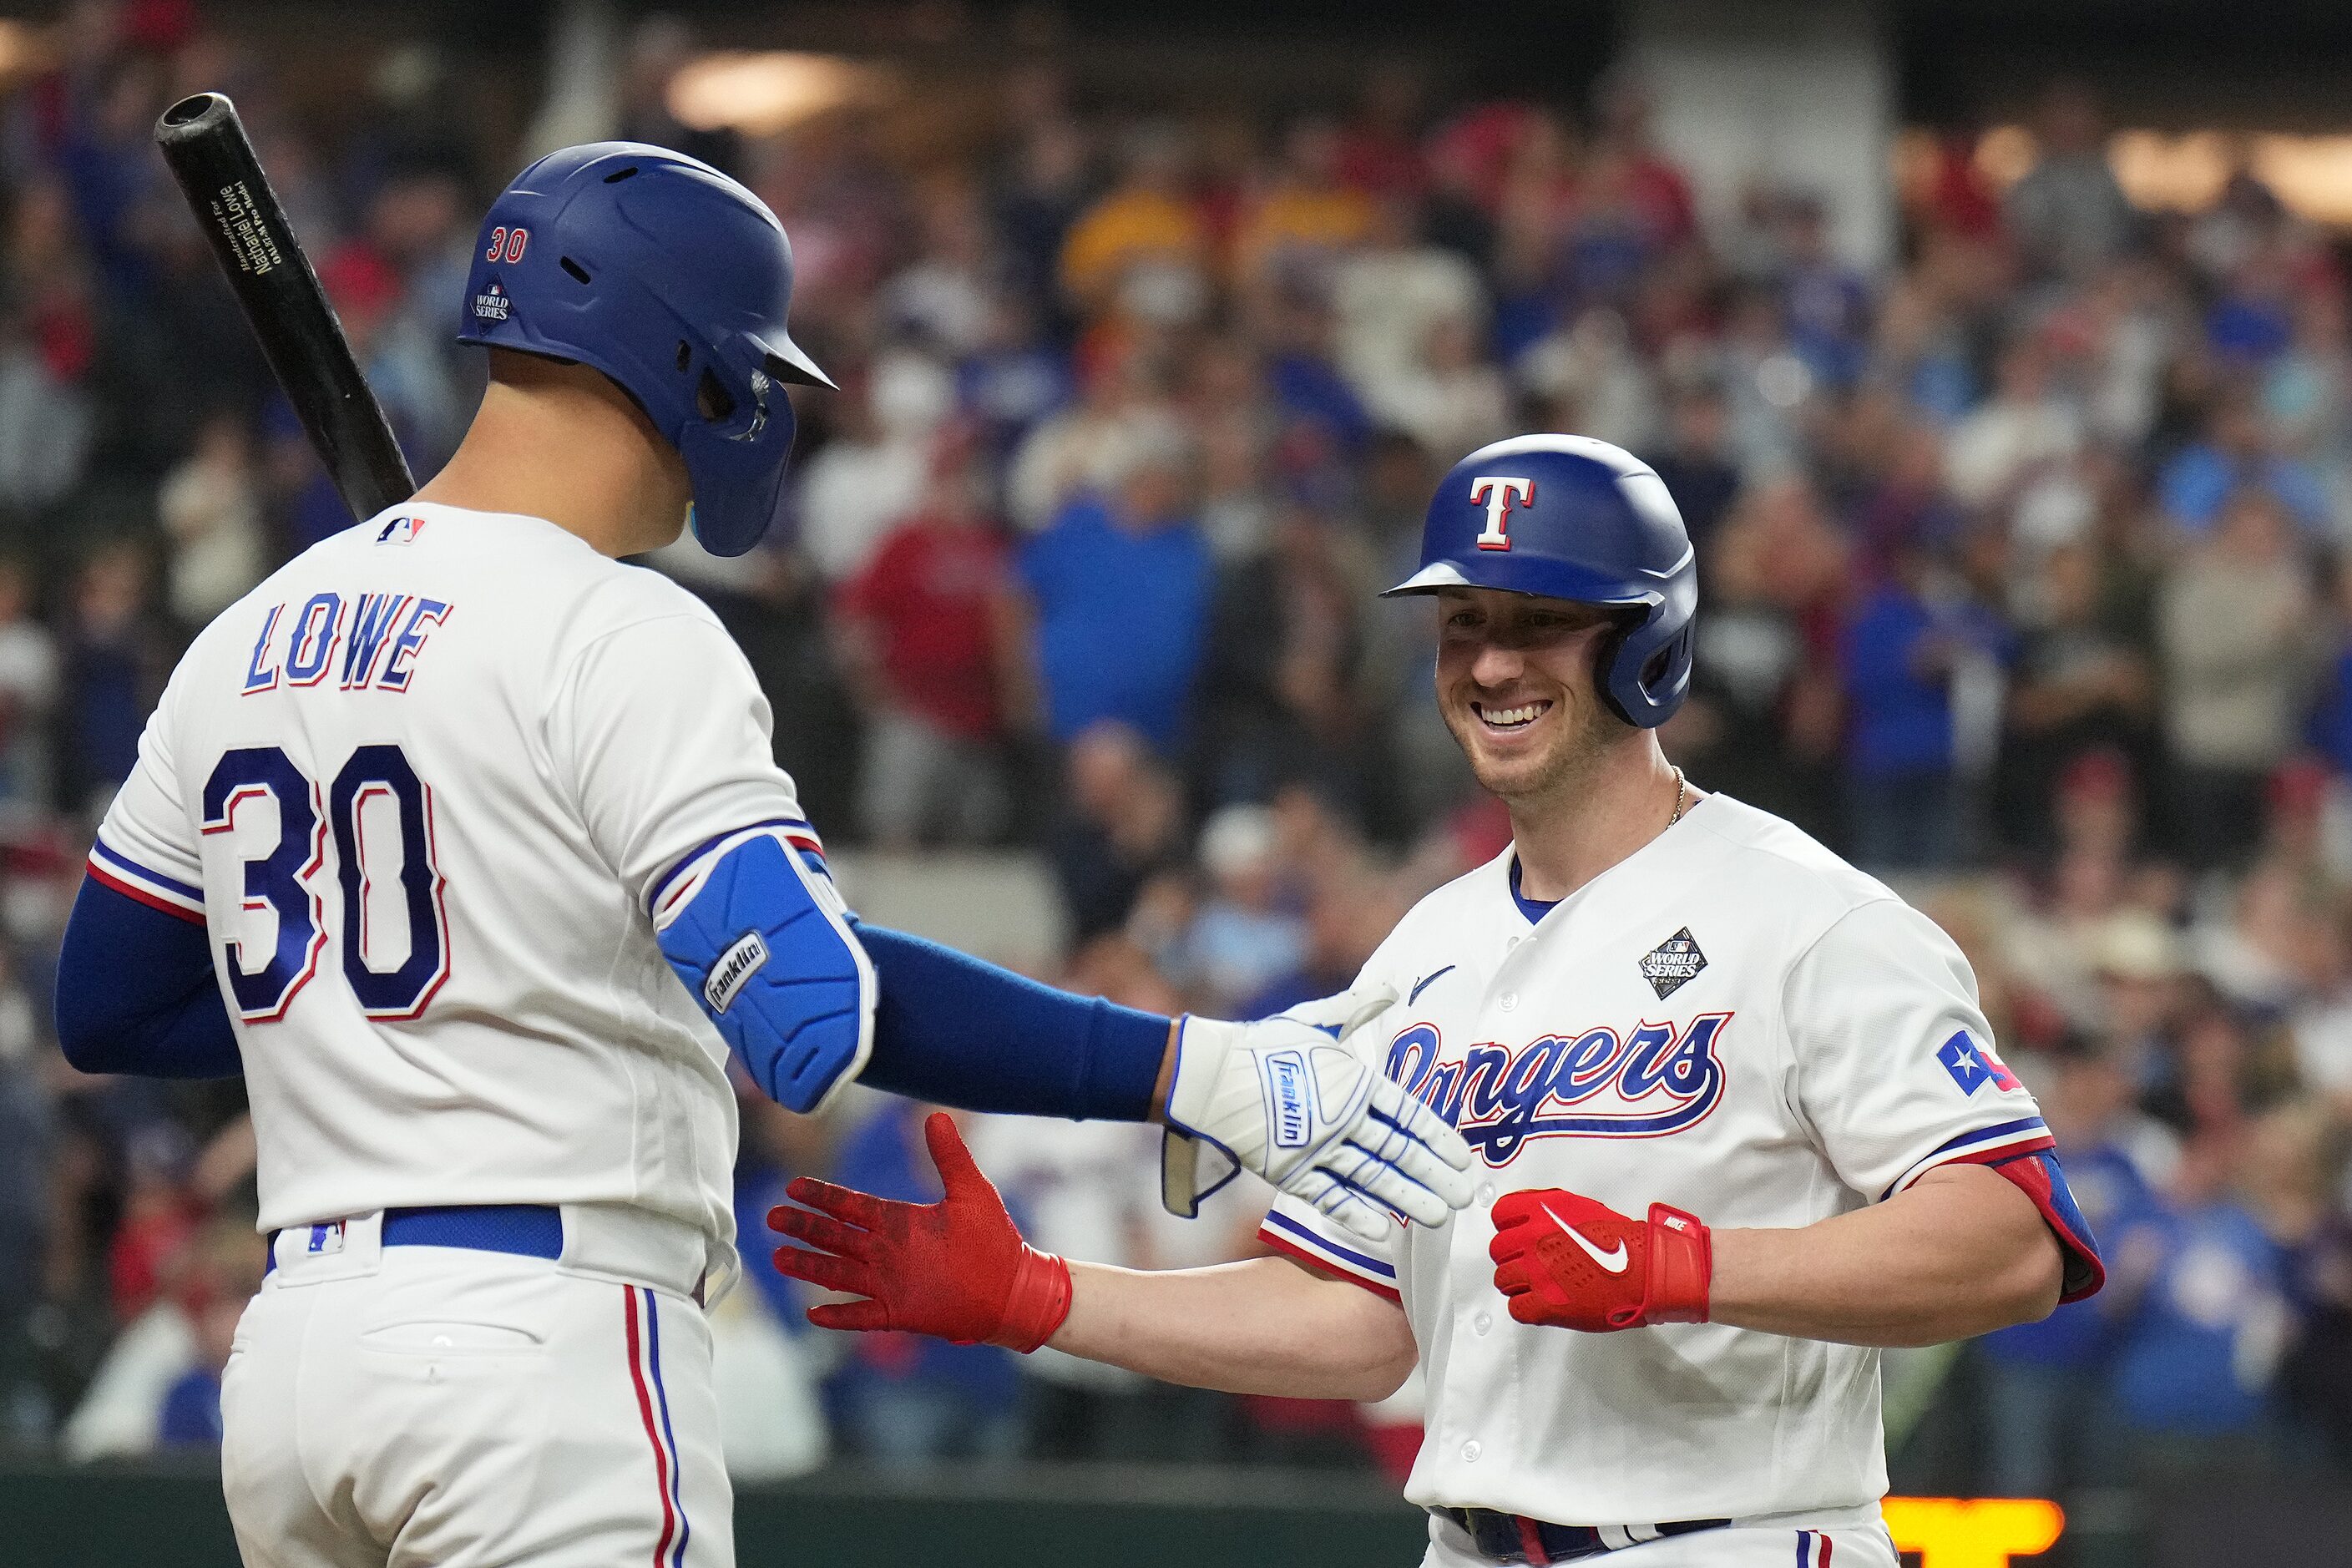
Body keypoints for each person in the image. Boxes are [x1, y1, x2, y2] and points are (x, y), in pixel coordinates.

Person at [50, 144, 1472, 1568]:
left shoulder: (246, 634)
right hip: (538, 1352)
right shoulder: (620, 628)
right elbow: (810, 1017)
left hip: (295, 1370)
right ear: (685, 361)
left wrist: (426, 991)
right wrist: (1198, 1069)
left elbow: (110, 1005)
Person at [772, 435, 2107, 1568]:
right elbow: (1359, 1318)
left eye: (1537, 622)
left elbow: (2010, 1240)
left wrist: (1682, 1269)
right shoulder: (1424, 949)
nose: (1487, 662)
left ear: (1646, 639)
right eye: (1462, 621)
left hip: (1727, 1537)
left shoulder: (1812, 917)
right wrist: (1040, 1296)